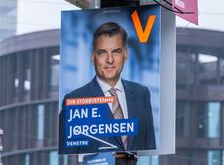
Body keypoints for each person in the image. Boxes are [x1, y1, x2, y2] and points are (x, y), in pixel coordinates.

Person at [58, 21, 156, 152]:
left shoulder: (141, 94)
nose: (110, 60)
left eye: (116, 52)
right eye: (102, 53)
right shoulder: (75, 101)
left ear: (125, 55)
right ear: (92, 58)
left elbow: (149, 148)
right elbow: (68, 159)